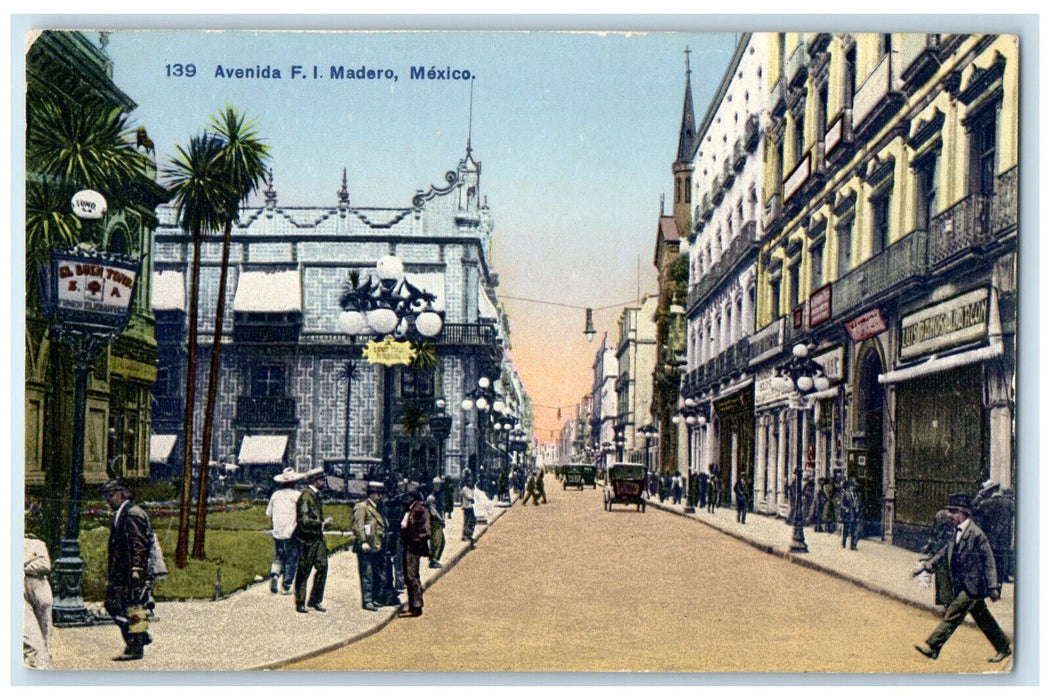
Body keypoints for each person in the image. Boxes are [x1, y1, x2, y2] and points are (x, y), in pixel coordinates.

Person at [913, 493, 1012, 664]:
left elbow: (988, 560)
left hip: (974, 585)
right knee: (983, 618)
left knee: (953, 613)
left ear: (963, 513)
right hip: (963, 584)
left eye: (953, 512)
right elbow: (945, 551)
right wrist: (927, 565)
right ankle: (1003, 647)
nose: (949, 515)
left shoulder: (976, 534)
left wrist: (992, 586)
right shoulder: (956, 531)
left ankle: (933, 646)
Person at [101, 478, 154, 661]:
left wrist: (137, 568)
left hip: (129, 572)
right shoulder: (124, 512)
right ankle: (139, 637)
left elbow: (138, 544)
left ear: (122, 494)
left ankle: (135, 645)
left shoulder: (132, 514)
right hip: (122, 571)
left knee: (128, 606)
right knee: (123, 606)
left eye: (111, 495)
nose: (108, 499)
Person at [293, 468, 330, 614]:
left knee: (323, 566)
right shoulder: (305, 497)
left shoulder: (314, 495)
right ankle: (300, 602)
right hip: (306, 539)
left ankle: (315, 600)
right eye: (322, 480)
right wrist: (321, 523)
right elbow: (303, 520)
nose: (323, 482)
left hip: (317, 538)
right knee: (304, 571)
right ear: (315, 481)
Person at [265, 467, 302, 595]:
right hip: (291, 532)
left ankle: (275, 574)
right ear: (294, 482)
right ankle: (286, 585)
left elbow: (268, 513)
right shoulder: (297, 496)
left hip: (277, 532)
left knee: (278, 556)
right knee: (292, 557)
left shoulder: (275, 495)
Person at [972, 480, 1015, 586]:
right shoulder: (1008, 503)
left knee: (990, 562)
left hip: (990, 539)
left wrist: (979, 496)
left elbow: (973, 509)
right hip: (1004, 539)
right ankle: (999, 584)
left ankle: (991, 584)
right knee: (1001, 562)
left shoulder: (985, 503)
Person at [354, 481, 388, 611]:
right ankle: (367, 600)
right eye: (378, 494)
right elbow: (358, 526)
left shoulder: (379, 507)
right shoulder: (362, 507)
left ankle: (374, 598)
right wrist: (363, 541)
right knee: (367, 573)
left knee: (376, 573)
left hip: (378, 545)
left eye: (381, 494)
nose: (380, 497)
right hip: (367, 545)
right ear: (371, 494)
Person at [24, 521, 52, 669]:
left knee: (45, 633)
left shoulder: (36, 544)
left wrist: (24, 567)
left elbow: (45, 565)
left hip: (40, 591)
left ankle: (45, 664)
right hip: (23, 596)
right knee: (31, 638)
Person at [399, 492, 431, 617]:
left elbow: (426, 531)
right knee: (409, 575)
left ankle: (416, 606)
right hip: (409, 545)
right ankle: (413, 605)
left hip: (414, 547)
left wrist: (414, 539)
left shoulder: (420, 509)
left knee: (412, 576)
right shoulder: (412, 508)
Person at [839, 477, 861, 550]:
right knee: (846, 530)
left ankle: (853, 545)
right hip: (848, 515)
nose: (855, 488)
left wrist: (858, 507)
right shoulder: (845, 493)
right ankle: (844, 542)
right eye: (853, 486)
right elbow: (841, 504)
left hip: (855, 514)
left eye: (856, 486)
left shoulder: (857, 494)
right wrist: (846, 509)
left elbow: (859, 503)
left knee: (855, 530)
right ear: (850, 486)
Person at [426, 491, 445, 569]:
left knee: (441, 541)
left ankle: (434, 559)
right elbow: (433, 512)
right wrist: (441, 519)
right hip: (435, 521)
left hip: (437, 521)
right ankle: (433, 560)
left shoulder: (438, 497)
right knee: (436, 541)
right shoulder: (431, 498)